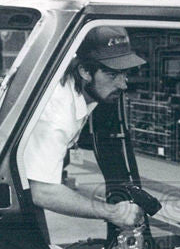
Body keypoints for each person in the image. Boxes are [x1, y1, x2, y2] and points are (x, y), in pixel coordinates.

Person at [23, 26, 146, 229]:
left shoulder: (85, 89)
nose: (123, 85)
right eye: (113, 75)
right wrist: (112, 212)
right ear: (85, 71)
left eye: (125, 74)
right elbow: (42, 192)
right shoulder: (57, 114)